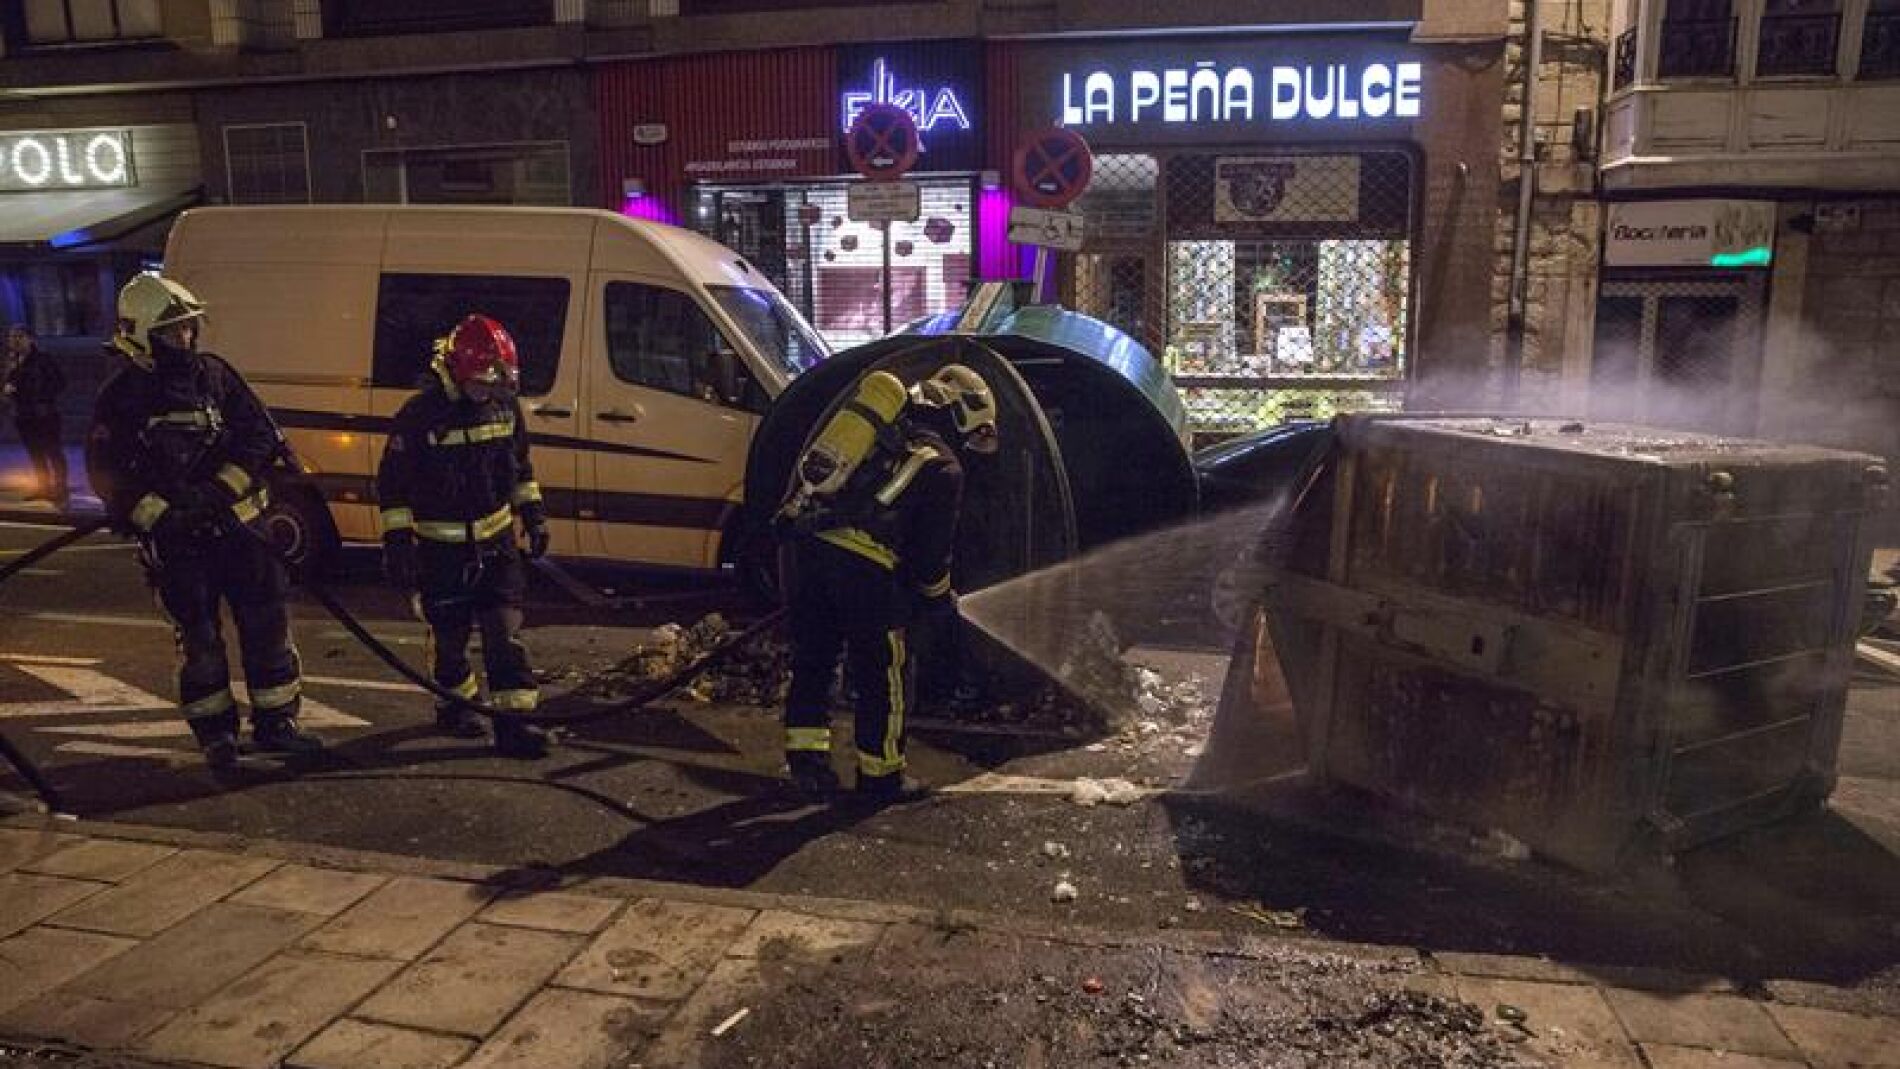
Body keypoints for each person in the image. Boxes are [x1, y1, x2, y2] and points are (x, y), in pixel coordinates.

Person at [86, 273, 323, 770]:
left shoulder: (216, 375)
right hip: (180, 547)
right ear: (142, 335)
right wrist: (164, 517)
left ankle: (278, 723)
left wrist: (219, 491)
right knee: (201, 642)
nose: (185, 340)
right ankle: (216, 735)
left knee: (267, 627)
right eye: (172, 333)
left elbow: (259, 436)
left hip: (244, 534)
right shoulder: (122, 396)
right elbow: (108, 476)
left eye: (189, 329)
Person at [777, 363, 998, 804]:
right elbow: (929, 557)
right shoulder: (945, 469)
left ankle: (806, 762)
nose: (971, 445)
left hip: (813, 553)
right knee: (883, 675)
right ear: (961, 417)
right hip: (869, 576)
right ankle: (881, 776)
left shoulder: (880, 434)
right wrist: (939, 600)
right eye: (974, 433)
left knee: (815, 659)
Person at [377, 313, 552, 759]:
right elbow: (392, 487)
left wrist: (533, 516)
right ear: (455, 370)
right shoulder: (419, 416)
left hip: (496, 547)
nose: (488, 392)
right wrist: (398, 546)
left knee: (504, 636)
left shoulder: (503, 407)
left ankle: (516, 726)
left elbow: (521, 469)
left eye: (496, 384)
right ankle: (457, 705)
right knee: (450, 641)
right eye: (481, 383)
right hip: (441, 553)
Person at [4, 324, 69, 507]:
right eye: (12, 337)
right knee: (36, 453)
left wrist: (41, 397)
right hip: (23, 415)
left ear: (30, 339)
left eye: (19, 336)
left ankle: (60, 488)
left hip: (44, 414)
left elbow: (60, 382)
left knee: (53, 451)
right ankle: (44, 486)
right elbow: (12, 383)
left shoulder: (43, 359)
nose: (14, 341)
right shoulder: (13, 361)